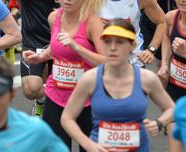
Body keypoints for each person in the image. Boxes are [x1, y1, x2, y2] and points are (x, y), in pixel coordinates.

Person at [23, 0, 109, 149]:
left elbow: (106, 63)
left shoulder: (93, 22)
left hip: (87, 100)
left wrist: (76, 47)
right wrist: (40, 57)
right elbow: (56, 48)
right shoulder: (54, 17)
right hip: (56, 96)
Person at [61, 19, 174, 152]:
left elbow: (172, 109)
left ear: (132, 45)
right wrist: (87, 144)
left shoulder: (146, 78)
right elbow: (67, 118)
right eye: (108, 42)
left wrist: (159, 123)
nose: (113, 48)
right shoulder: (90, 79)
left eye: (120, 42)